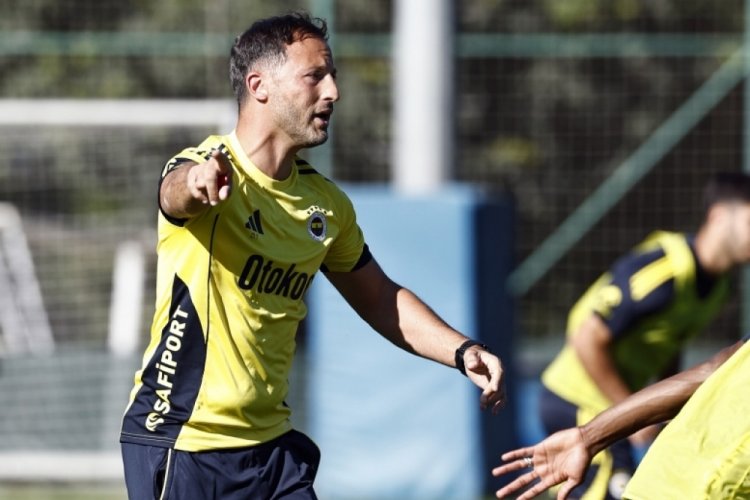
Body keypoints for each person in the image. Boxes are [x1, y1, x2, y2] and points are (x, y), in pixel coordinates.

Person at [118, 11, 505, 500]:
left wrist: (462, 350)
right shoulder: (209, 167)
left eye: (333, 76)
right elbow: (175, 193)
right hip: (185, 442)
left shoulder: (325, 205)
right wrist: (196, 183)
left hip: (271, 450)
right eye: (314, 76)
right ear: (259, 86)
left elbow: (380, 298)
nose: (333, 92)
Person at [534, 171, 750, 499]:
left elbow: (671, 345)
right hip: (578, 400)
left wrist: (666, 411)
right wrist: (629, 411)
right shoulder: (665, 269)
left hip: (612, 410)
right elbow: (586, 339)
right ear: (718, 215)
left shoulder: (718, 287)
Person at [492, 336, 750, 499]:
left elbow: (712, 369)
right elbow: (588, 335)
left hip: (659, 482)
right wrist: (588, 437)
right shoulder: (663, 279)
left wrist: (588, 437)